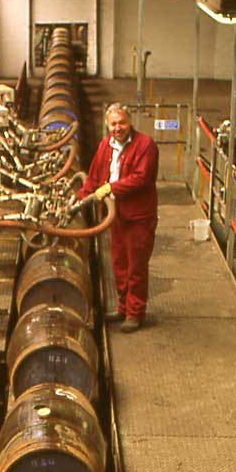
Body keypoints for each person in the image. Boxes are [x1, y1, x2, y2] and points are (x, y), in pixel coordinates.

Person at [78, 102, 159, 333]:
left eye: (122, 122)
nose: (118, 127)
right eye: (113, 123)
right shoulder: (106, 145)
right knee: (119, 264)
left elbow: (141, 178)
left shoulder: (145, 146)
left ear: (130, 122)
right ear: (107, 125)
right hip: (117, 217)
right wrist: (79, 198)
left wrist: (109, 188)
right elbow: (93, 177)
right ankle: (123, 307)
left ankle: (135, 313)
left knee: (136, 267)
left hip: (138, 217)